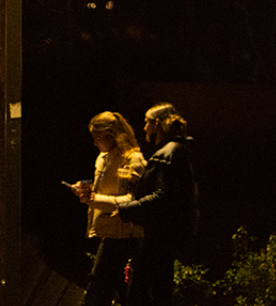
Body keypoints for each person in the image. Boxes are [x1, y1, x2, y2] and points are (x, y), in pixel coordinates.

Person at [113, 102, 198, 306]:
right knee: (160, 291)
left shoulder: (168, 154)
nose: (143, 128)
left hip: (159, 235)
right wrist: (140, 180)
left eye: (146, 122)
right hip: (166, 234)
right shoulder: (174, 151)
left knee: (138, 291)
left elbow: (164, 195)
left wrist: (127, 208)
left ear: (157, 124)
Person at [69, 111, 146, 306]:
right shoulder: (103, 158)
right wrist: (86, 188)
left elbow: (135, 200)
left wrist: (95, 198)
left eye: (97, 138)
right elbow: (106, 187)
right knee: (116, 289)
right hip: (108, 230)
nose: (94, 143)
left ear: (111, 136)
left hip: (124, 233)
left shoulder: (133, 159)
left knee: (99, 288)